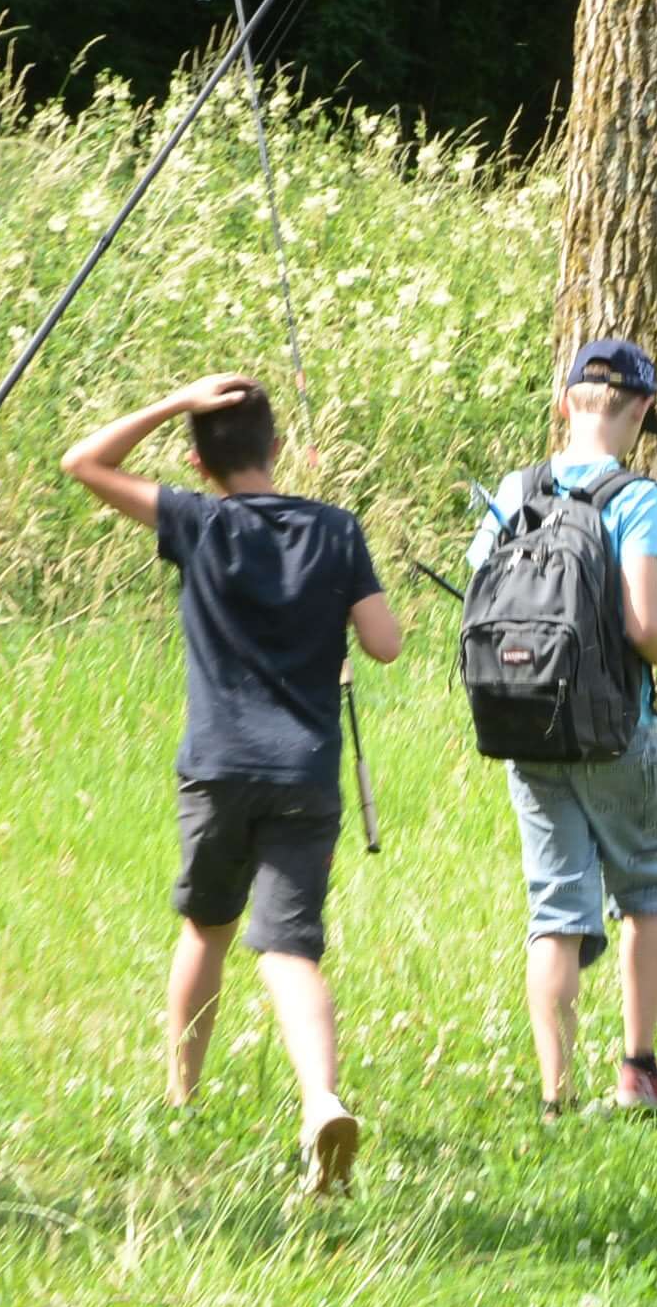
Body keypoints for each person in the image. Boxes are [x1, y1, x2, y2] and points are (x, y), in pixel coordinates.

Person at [63, 371, 402, 1191]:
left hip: (217, 769)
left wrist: (175, 401)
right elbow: (386, 643)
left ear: (196, 460)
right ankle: (320, 1099)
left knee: (206, 930)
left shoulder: (196, 520)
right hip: (305, 771)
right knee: (289, 951)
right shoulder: (336, 529)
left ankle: (182, 1099)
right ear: (277, 449)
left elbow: (84, 462)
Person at [480, 335, 657, 1110]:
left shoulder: (514, 490)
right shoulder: (635, 498)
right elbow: (643, 624)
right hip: (616, 728)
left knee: (555, 906)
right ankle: (638, 1071)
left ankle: (555, 1092)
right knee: (648, 886)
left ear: (564, 403)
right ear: (643, 410)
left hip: (523, 722)